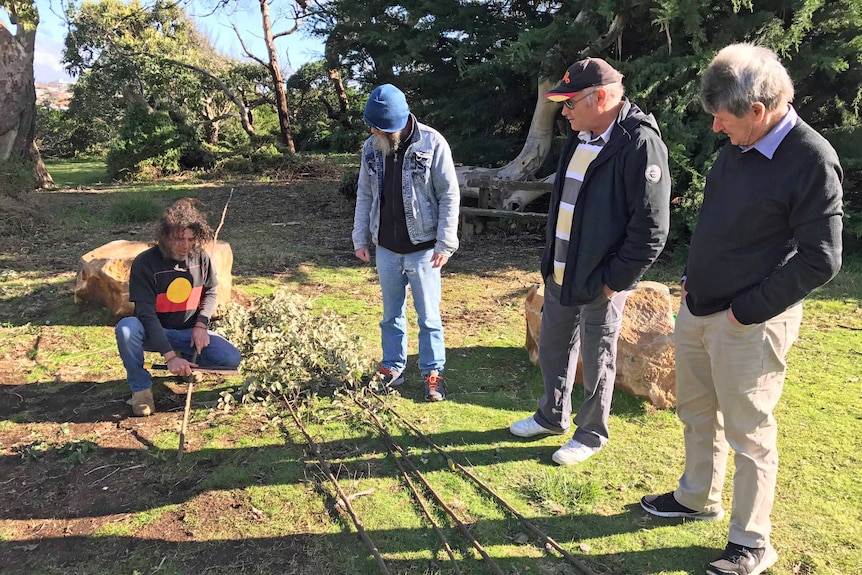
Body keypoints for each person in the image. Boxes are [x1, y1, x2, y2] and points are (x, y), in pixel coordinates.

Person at [639, 44, 843, 575]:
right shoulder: (739, 145)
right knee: (696, 413)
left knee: (748, 432)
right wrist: (693, 279)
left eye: (722, 119)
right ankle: (695, 498)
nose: (714, 130)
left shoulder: (811, 158)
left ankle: (752, 540)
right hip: (699, 307)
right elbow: (722, 224)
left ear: (758, 110)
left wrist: (746, 312)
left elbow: (821, 260)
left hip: (749, 322)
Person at [508, 58, 671, 465]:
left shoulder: (640, 144)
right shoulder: (580, 135)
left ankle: (592, 434)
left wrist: (613, 281)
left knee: (598, 358)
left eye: (569, 103)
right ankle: (551, 416)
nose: (564, 112)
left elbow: (651, 230)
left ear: (600, 97)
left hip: (601, 281)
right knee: (553, 347)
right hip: (561, 270)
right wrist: (550, 261)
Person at [352, 84, 460, 402]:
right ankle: (392, 368)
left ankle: (433, 373)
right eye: (371, 125)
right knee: (390, 315)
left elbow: (449, 194)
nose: (373, 131)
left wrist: (445, 242)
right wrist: (360, 237)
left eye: (378, 126)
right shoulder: (371, 148)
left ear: (396, 124)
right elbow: (364, 193)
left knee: (428, 316)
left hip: (424, 249)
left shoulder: (432, 142)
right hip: (386, 247)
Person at [115, 198, 242, 416]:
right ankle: (141, 390)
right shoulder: (145, 263)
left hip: (188, 333)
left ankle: (187, 362)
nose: (185, 246)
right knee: (126, 329)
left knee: (231, 360)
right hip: (153, 332)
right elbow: (146, 314)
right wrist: (169, 357)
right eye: (178, 239)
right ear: (164, 236)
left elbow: (211, 291)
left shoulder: (201, 257)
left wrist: (201, 325)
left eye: (191, 239)